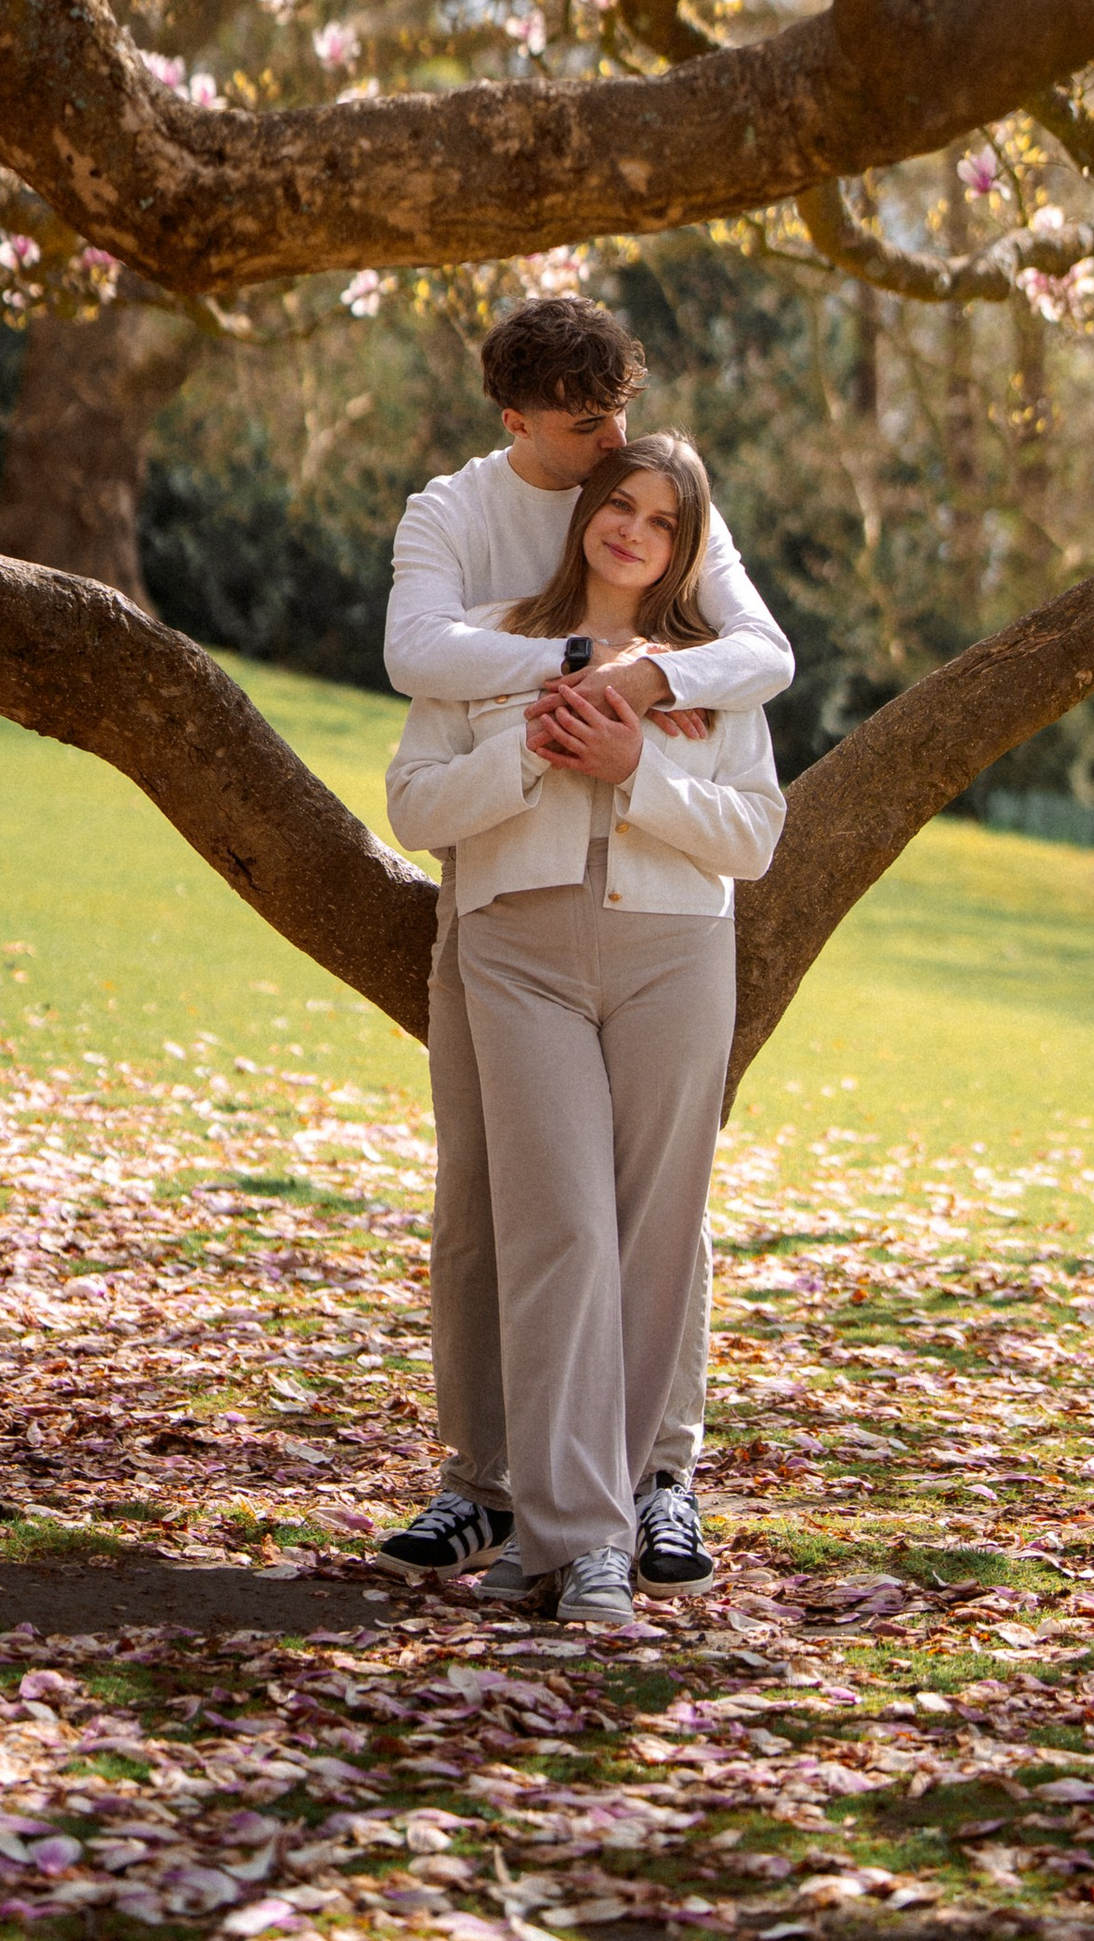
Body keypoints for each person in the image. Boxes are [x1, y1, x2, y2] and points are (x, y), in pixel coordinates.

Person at [376, 296, 793, 1597]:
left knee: (659, 1229)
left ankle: (649, 1486)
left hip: (673, 943)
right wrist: (547, 711)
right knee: (522, 1212)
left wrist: (645, 714)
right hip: (511, 933)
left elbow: (758, 780)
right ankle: (521, 1502)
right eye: (601, 463)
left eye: (660, 515)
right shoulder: (473, 576)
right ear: (524, 429)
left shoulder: (709, 656)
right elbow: (413, 740)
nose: (623, 483)